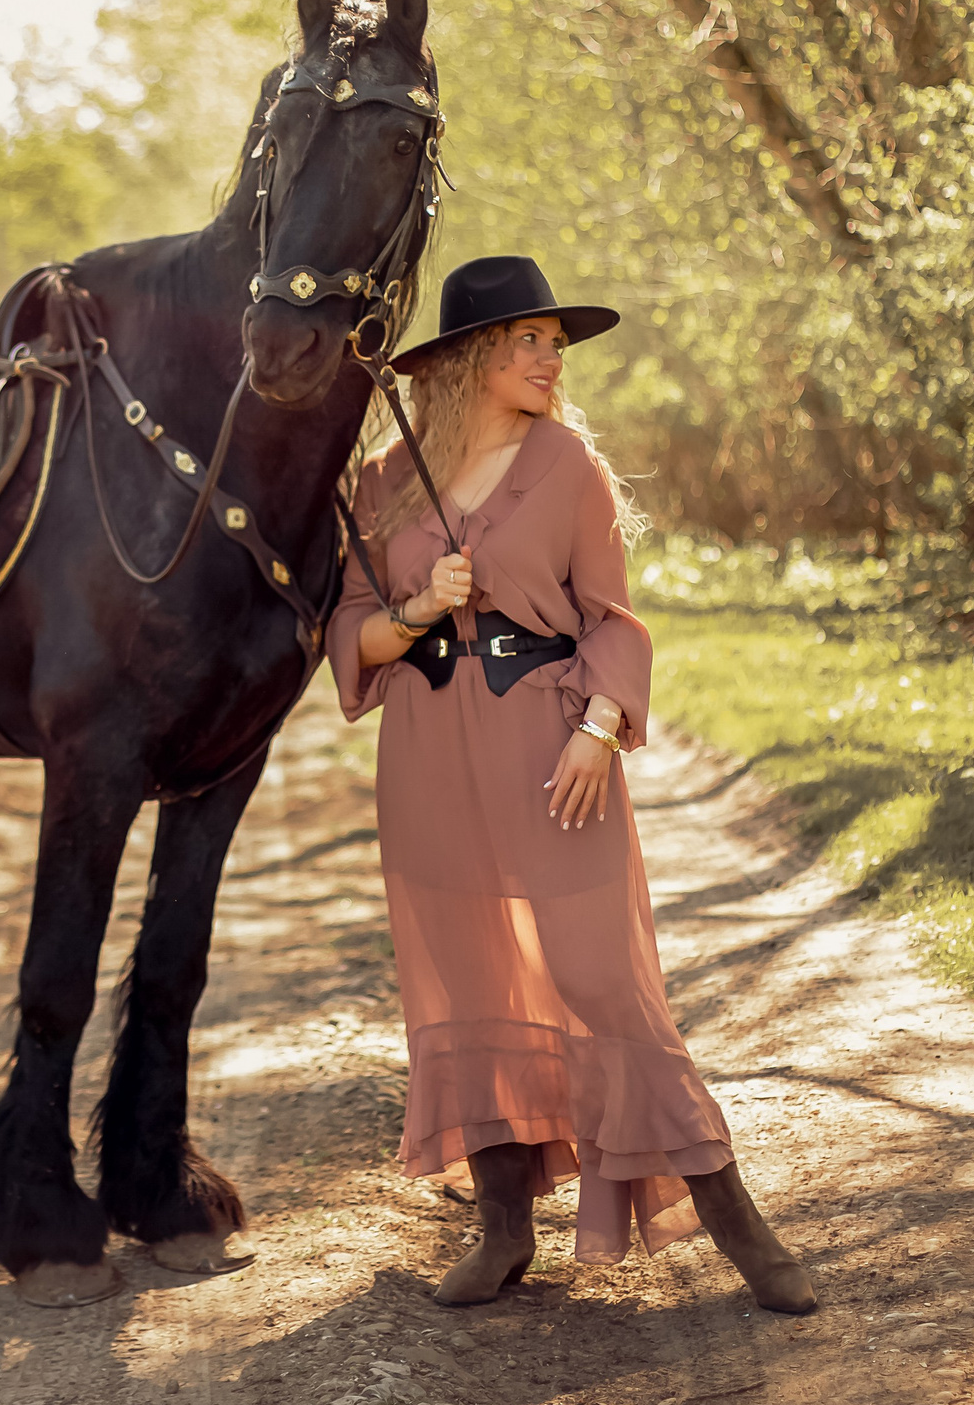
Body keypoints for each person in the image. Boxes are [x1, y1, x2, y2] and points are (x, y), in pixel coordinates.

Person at [326, 254, 815, 1313]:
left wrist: (599, 726)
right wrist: (414, 611)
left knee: (604, 985)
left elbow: (614, 621)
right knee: (468, 980)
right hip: (426, 753)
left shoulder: (569, 469)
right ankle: (503, 1233)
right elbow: (350, 636)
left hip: (552, 755)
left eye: (555, 342)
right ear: (468, 360)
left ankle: (739, 1230)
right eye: (530, 341)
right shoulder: (382, 482)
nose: (553, 360)